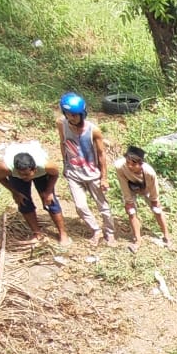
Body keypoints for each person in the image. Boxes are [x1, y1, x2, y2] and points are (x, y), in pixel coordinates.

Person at [56, 92, 115, 245]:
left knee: (103, 207)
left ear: (82, 114)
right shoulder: (61, 124)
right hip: (74, 173)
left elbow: (101, 154)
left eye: (75, 115)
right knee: (80, 206)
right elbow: (63, 143)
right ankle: (96, 230)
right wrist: (65, 164)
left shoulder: (93, 131)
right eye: (68, 114)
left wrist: (104, 177)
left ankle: (110, 232)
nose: (71, 118)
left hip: (92, 174)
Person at [0, 141, 67, 244]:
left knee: (50, 202)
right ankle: (37, 234)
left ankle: (63, 234)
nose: (24, 177)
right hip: (15, 175)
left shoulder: (45, 166)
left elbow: (55, 174)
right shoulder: (5, 168)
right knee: (23, 203)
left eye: (27, 174)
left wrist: (49, 192)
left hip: (41, 174)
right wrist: (14, 192)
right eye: (21, 174)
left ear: (34, 170)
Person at [113, 145, 170, 251]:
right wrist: (128, 201)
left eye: (133, 164)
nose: (130, 166)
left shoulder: (149, 172)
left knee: (157, 210)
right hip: (130, 188)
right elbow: (123, 184)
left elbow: (154, 187)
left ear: (140, 164)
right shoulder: (120, 166)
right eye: (128, 163)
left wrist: (154, 200)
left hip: (147, 188)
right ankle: (137, 240)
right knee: (131, 211)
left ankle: (166, 236)